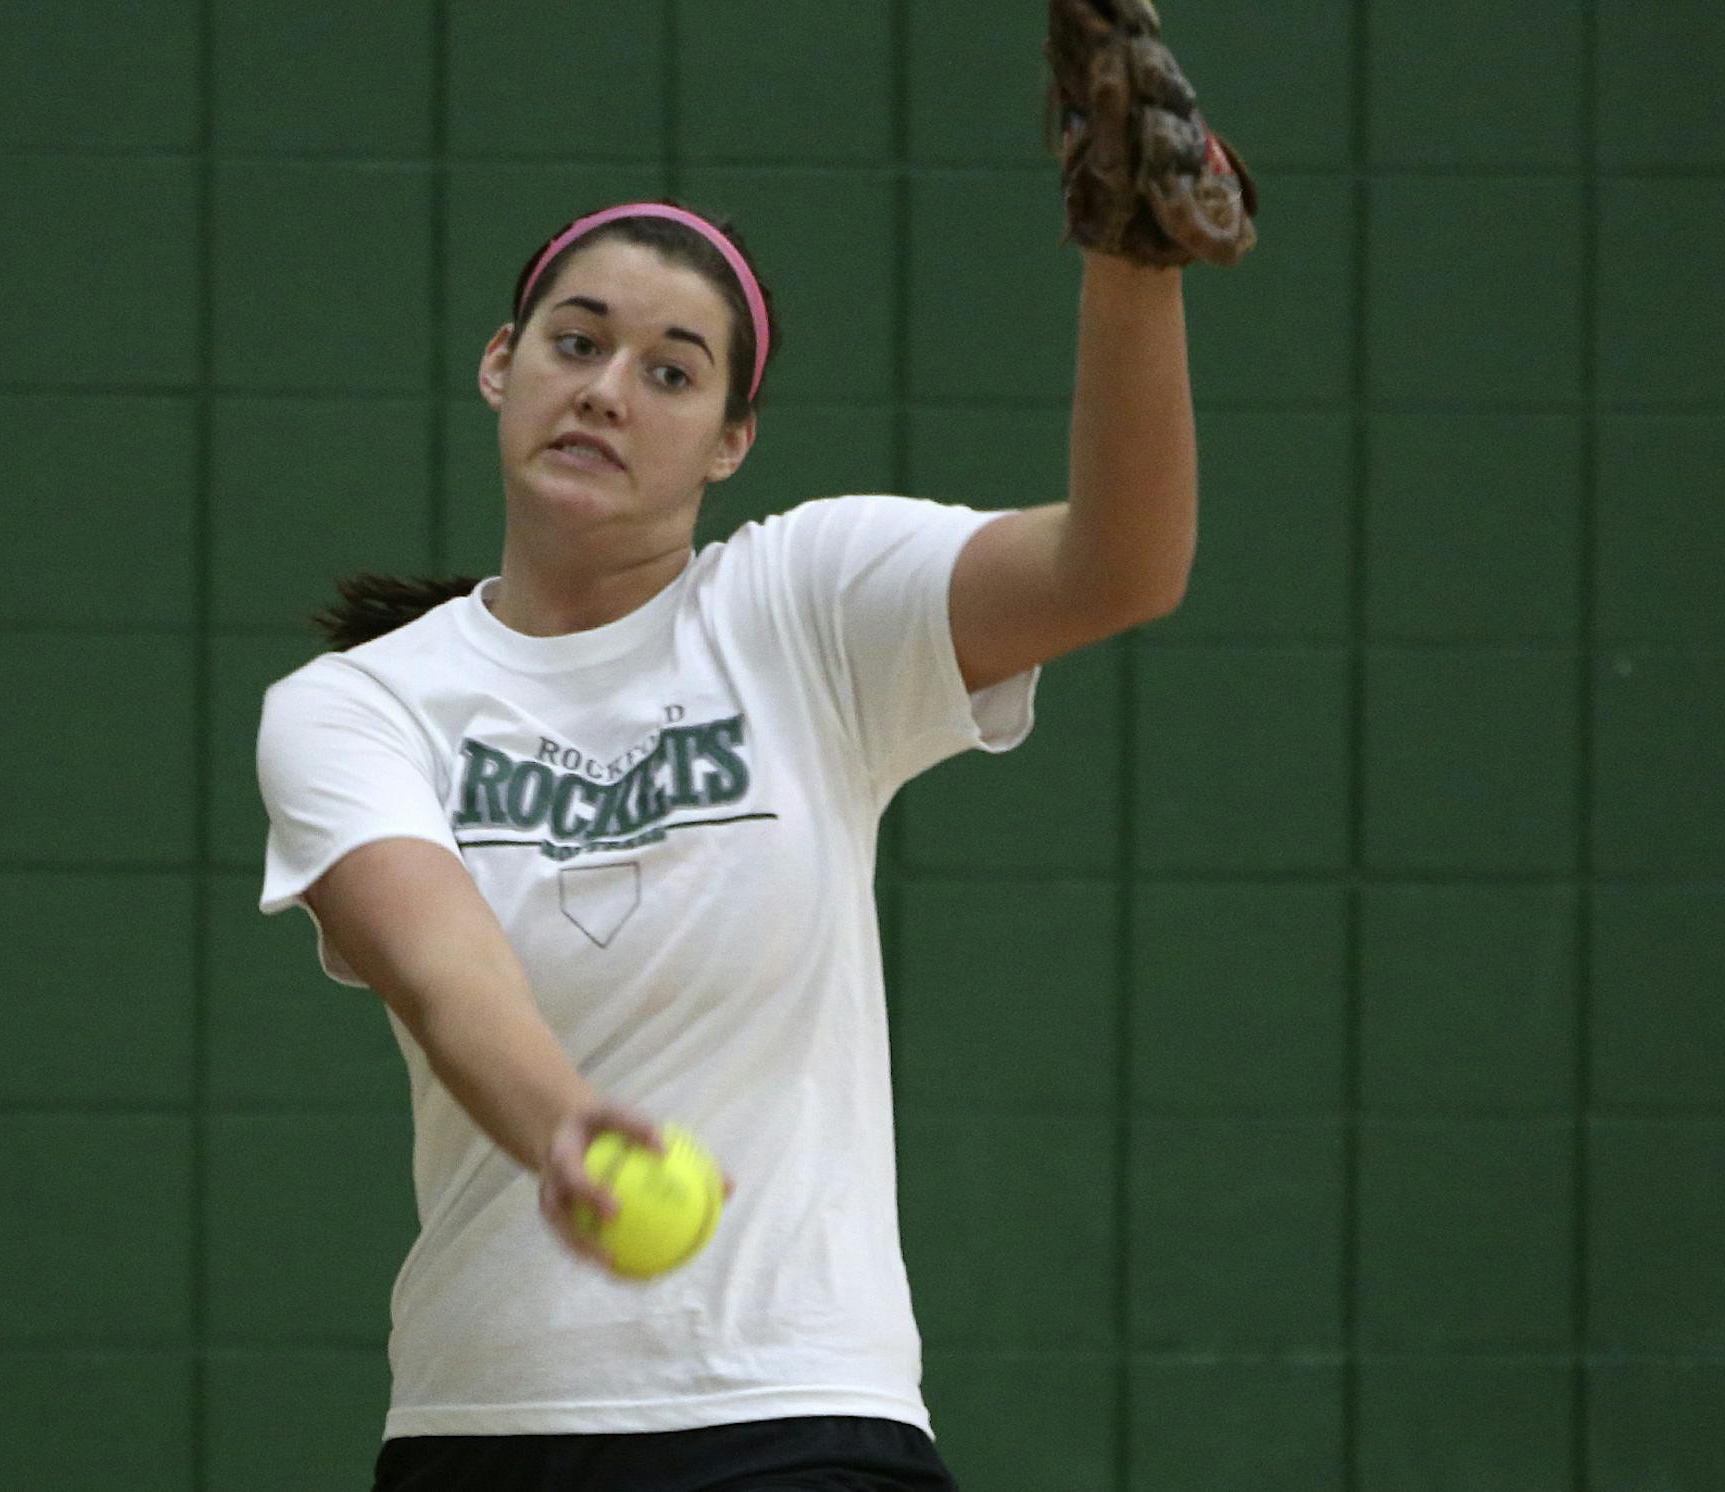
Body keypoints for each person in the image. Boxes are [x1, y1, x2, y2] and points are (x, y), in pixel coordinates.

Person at [254, 195, 1197, 1491]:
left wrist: (1133, 265)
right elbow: (441, 965)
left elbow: (1121, 568)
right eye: (574, 345)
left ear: (730, 442)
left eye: (670, 372)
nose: (605, 393)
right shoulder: (354, 707)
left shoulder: (801, 604)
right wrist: (568, 1126)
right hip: (486, 1428)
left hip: (798, 1412)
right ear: (499, 364)